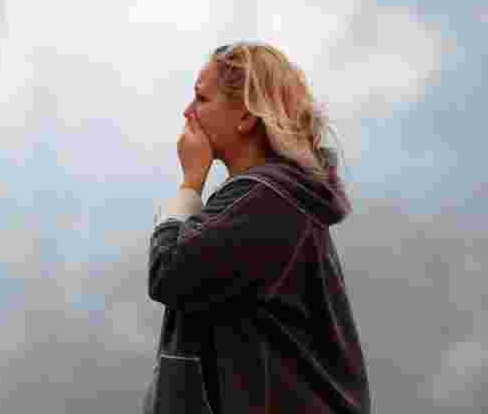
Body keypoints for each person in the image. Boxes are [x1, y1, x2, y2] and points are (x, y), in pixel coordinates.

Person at [142, 42, 372, 414]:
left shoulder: (267, 200)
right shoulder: (271, 197)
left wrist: (190, 184)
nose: (188, 113)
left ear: (246, 116)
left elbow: (170, 272)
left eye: (201, 99)